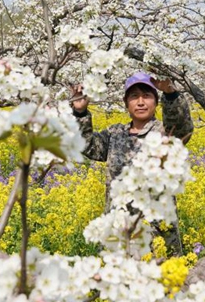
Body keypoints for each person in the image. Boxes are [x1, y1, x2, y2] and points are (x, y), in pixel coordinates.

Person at [70, 71, 194, 256]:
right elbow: (87, 146)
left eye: (147, 96)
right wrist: (80, 112)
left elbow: (182, 127)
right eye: (134, 97)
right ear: (126, 103)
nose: (141, 102)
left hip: (156, 232)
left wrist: (170, 93)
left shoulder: (164, 133)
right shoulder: (115, 133)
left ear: (156, 102)